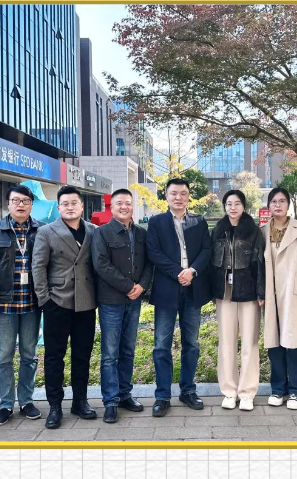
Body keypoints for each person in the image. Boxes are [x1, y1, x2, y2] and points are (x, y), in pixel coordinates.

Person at [0, 185, 44, 425]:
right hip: (4, 306)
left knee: (29, 355)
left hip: (32, 304)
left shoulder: (41, 230)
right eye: (16, 200)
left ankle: (26, 401)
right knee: (4, 356)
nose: (20, 205)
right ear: (8, 204)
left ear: (31, 204)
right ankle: (6, 404)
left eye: (25, 200)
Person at [31, 186, 98, 428]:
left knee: (82, 355)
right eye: (65, 204)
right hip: (57, 301)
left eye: (74, 203)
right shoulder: (46, 231)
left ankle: (80, 401)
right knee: (54, 357)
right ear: (58, 207)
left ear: (82, 205)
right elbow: (38, 266)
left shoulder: (93, 231)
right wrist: (44, 299)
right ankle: (55, 406)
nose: (70, 207)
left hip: (86, 302)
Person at [146, 178, 213, 417]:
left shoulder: (199, 221)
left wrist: (191, 271)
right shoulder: (156, 222)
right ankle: (162, 395)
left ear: (188, 196)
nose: (178, 197)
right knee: (161, 345)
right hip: (167, 289)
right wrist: (178, 272)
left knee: (191, 344)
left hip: (193, 289)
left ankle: (188, 390)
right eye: (174, 193)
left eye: (183, 193)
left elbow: (207, 249)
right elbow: (153, 252)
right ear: (166, 196)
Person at [91, 189, 154, 424]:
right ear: (112, 206)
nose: (124, 207)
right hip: (111, 301)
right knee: (110, 353)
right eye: (119, 203)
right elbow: (101, 264)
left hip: (134, 300)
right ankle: (110, 401)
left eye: (128, 203)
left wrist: (142, 286)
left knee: (128, 350)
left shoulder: (141, 233)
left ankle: (125, 394)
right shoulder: (102, 233)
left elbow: (149, 263)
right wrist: (129, 286)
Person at [261, 187, 297, 410]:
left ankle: (296, 391)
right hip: (271, 292)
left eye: (282, 201)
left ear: (288, 205)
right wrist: (259, 291)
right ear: (269, 205)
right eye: (274, 201)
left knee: (296, 342)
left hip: (294, 292)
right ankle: (278, 390)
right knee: (274, 342)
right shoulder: (262, 231)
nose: (278, 205)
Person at [209, 190, 265, 412]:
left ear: (244, 206)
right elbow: (211, 264)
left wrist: (261, 293)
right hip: (224, 293)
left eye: (237, 203)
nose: (233, 208)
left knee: (250, 342)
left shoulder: (254, 231)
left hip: (248, 292)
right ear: (224, 207)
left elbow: (260, 263)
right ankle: (229, 391)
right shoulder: (217, 230)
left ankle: (247, 393)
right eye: (229, 204)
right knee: (226, 342)